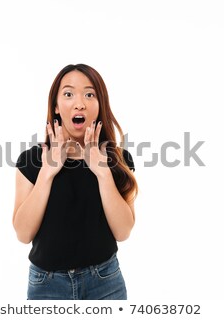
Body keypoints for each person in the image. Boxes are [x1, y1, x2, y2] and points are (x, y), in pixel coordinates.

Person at [13, 64, 138, 300]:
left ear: (100, 106)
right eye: (68, 94)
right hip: (47, 286)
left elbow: (123, 232)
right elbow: (23, 233)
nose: (79, 103)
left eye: (89, 94)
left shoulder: (119, 160)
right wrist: (48, 172)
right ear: (56, 107)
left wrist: (102, 172)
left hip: (106, 283)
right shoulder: (31, 160)